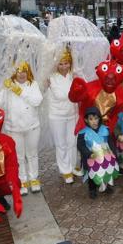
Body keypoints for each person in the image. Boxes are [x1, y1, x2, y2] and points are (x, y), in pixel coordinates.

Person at [0, 61, 43, 195]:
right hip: (14, 128)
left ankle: (34, 178)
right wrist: (2, 88)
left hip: (32, 126)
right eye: (18, 71)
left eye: (24, 70)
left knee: (32, 153)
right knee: (18, 156)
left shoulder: (33, 84)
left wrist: (20, 92)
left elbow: (37, 101)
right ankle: (22, 180)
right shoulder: (8, 85)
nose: (21, 74)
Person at [47, 48, 81, 184]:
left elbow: (81, 92)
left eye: (66, 63)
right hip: (57, 116)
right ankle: (65, 170)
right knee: (61, 144)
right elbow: (61, 95)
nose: (64, 66)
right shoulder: (51, 78)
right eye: (61, 64)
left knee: (72, 142)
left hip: (73, 114)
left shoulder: (74, 75)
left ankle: (73, 166)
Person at [77, 107, 120, 199]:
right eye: (91, 119)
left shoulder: (105, 129)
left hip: (106, 157)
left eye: (96, 118)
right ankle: (92, 189)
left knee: (106, 171)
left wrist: (114, 153)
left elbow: (111, 142)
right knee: (92, 175)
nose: (94, 122)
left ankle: (106, 185)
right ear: (86, 120)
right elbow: (80, 146)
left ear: (99, 118)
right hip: (91, 158)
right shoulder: (83, 133)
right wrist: (88, 154)